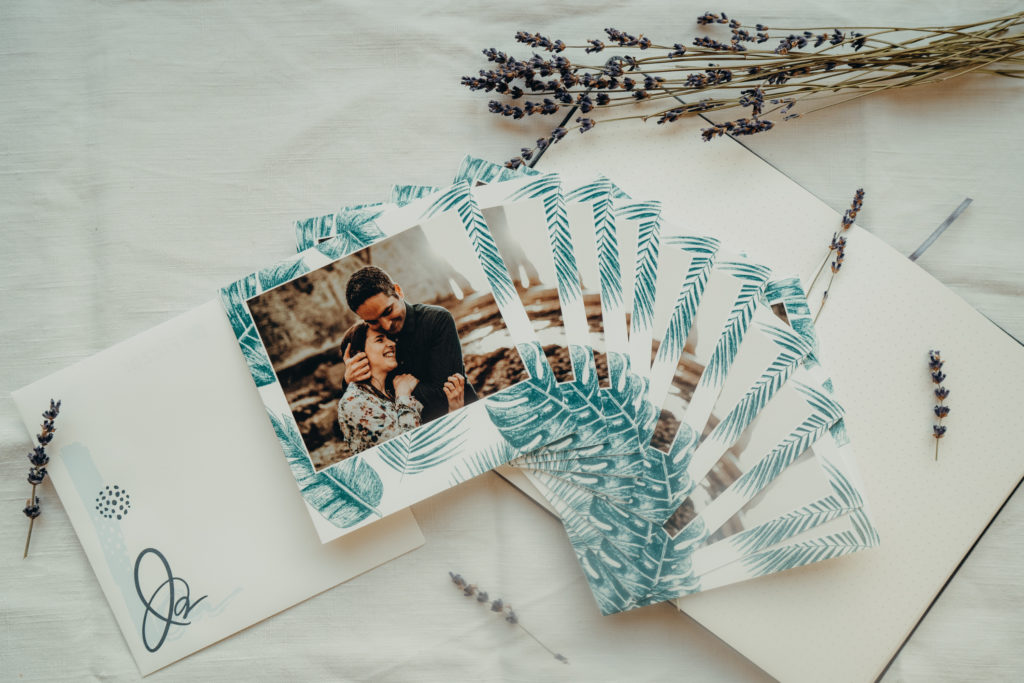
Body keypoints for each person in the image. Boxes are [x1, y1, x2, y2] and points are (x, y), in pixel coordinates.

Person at [342, 266, 476, 423]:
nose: (386, 326)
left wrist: (396, 391)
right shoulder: (367, 337)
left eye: (388, 311)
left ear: (398, 291)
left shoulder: (437, 320)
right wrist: (349, 382)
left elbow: (446, 395)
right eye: (373, 321)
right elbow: (362, 409)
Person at [336, 323, 422, 455]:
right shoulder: (355, 402)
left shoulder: (389, 391)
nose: (392, 343)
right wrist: (404, 395)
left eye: (389, 338)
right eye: (380, 339)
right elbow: (407, 449)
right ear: (359, 354)